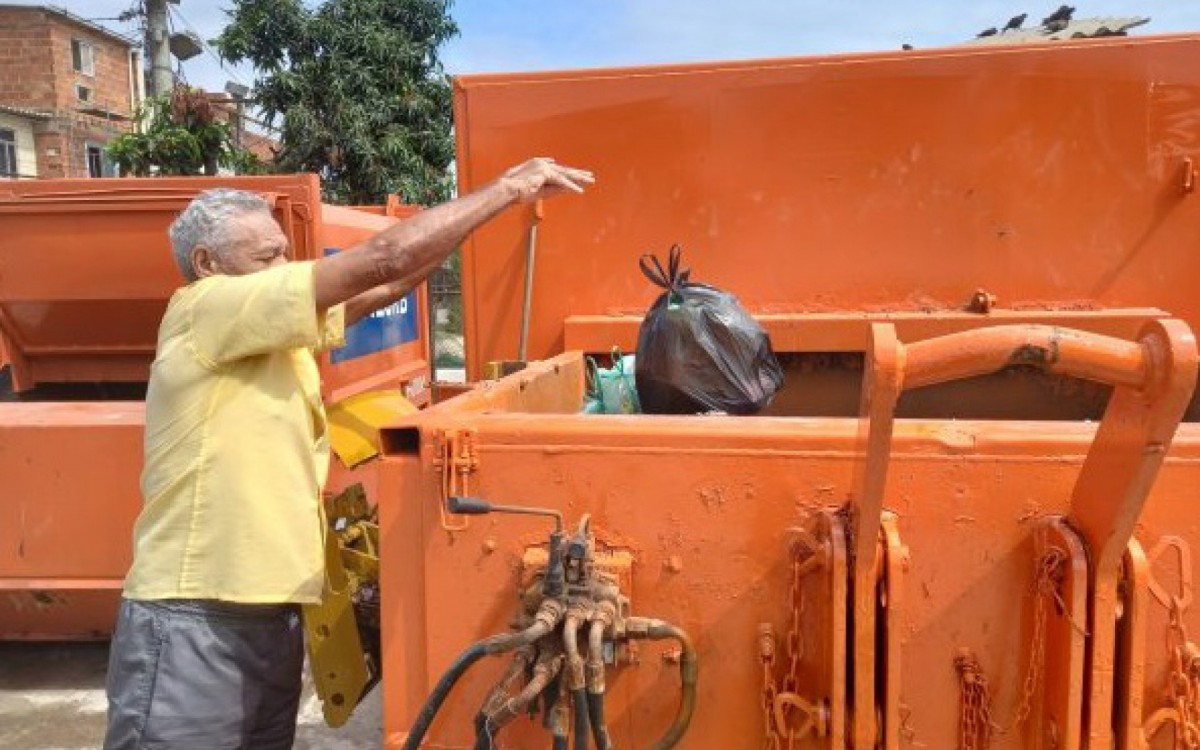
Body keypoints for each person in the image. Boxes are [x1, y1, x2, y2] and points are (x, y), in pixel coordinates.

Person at [102, 158, 594, 750]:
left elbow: (390, 284)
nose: (287, 268)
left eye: (285, 252)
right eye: (267, 258)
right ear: (208, 265)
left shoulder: (265, 330)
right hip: (193, 618)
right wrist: (506, 187)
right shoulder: (204, 309)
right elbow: (383, 257)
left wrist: (483, 218)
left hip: (270, 616)